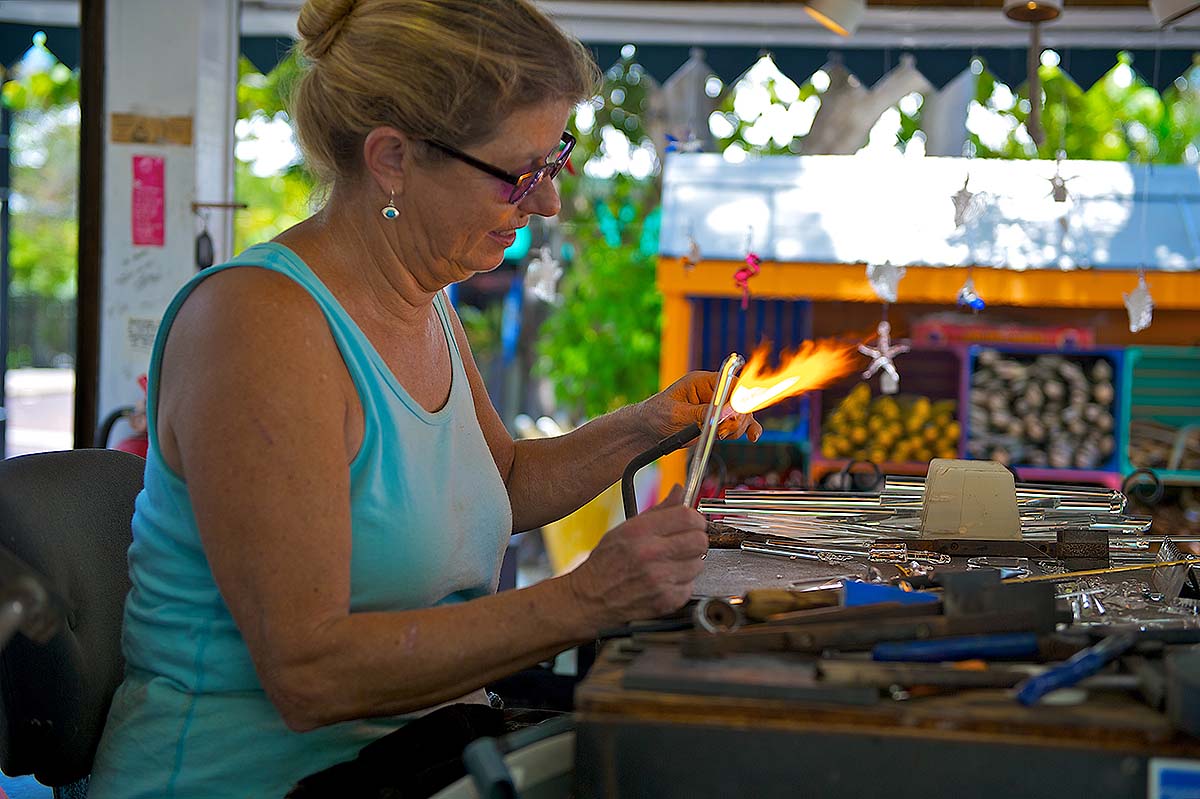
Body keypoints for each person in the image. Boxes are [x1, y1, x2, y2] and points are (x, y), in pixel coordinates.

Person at [88, 1, 760, 796]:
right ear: (394, 157)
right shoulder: (259, 326)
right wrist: (583, 598)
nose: (545, 203)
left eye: (556, 161)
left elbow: (499, 485)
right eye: (521, 173)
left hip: (427, 753)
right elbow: (311, 674)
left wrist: (649, 424)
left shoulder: (425, 300)